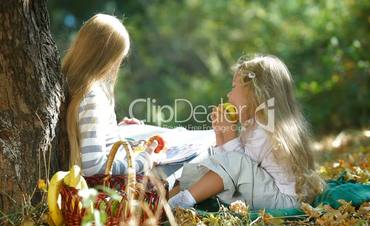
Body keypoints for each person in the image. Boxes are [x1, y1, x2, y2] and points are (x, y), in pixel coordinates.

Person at [168, 55, 326, 209]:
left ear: (255, 92)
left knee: (234, 162)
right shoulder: (255, 126)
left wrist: (229, 134)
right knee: (205, 169)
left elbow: (237, 166)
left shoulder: (266, 130)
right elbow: (224, 167)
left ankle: (181, 201)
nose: (229, 94)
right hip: (266, 192)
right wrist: (220, 133)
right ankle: (164, 198)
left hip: (282, 200)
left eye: (234, 87)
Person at [63, 14, 154, 176]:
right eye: (118, 59)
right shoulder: (92, 97)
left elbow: (84, 134)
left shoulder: (70, 81)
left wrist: (112, 130)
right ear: (107, 59)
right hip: (105, 190)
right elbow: (92, 166)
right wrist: (143, 162)